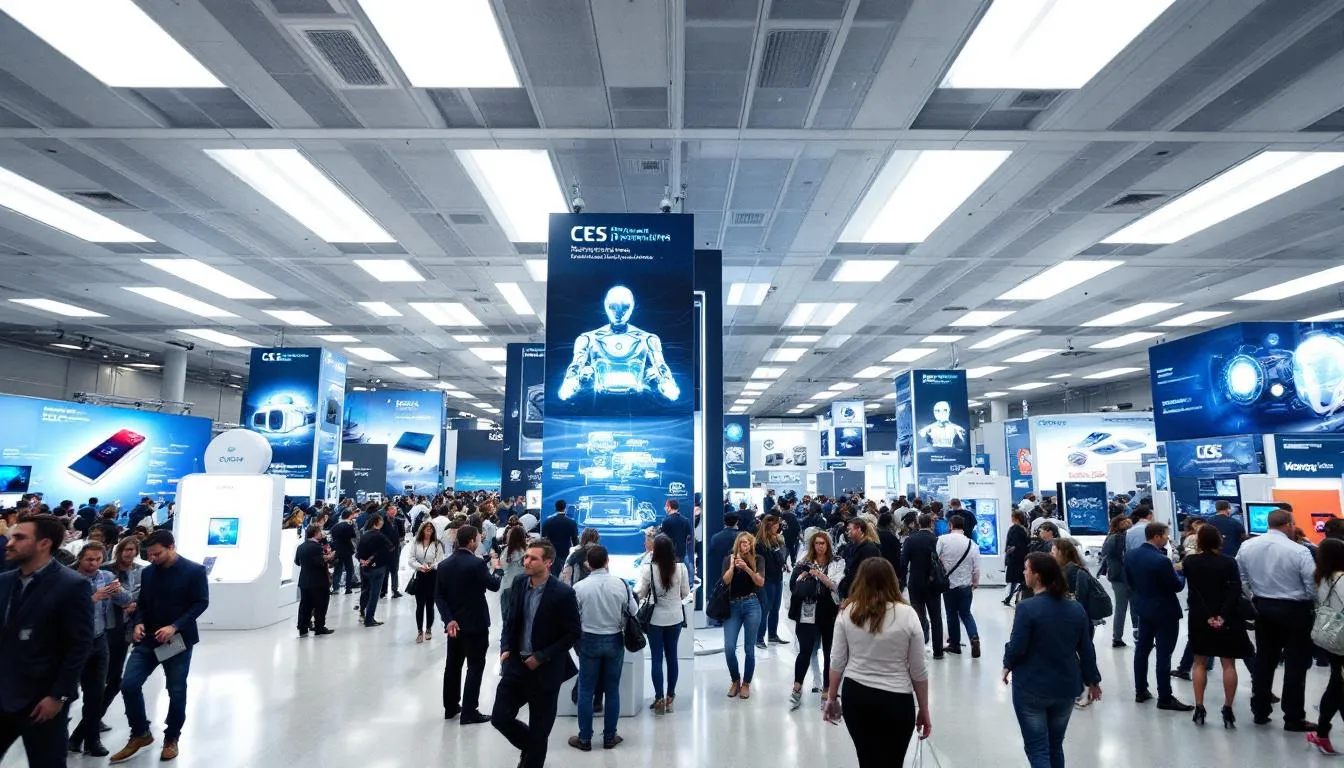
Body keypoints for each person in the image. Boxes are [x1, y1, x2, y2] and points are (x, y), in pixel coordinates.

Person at [0, 515, 94, 766]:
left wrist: (59, 696)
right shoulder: (4, 582)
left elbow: (79, 646)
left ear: (44, 543)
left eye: (19, 538)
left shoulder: (72, 586)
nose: (10, 543)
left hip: (42, 704)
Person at [109, 530, 209, 763]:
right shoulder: (149, 572)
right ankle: (140, 733)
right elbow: (142, 603)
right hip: (148, 639)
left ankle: (172, 737)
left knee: (176, 690)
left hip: (177, 641)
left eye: (157, 553)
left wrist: (175, 626)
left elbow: (201, 602)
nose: (152, 558)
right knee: (129, 685)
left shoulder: (194, 571)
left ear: (171, 547)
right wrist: (138, 622)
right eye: (150, 554)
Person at [823, 558, 930, 767]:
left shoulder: (848, 613)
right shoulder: (908, 615)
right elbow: (918, 669)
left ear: (860, 581)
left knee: (866, 758)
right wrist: (924, 708)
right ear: (893, 581)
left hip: (857, 696)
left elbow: (837, 661)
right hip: (897, 699)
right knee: (893, 761)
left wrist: (832, 697)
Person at [1003, 553, 1103, 768]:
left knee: (1037, 747)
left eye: (1026, 568)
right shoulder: (1076, 608)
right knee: (1055, 745)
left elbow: (1018, 646)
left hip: (1032, 686)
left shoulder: (1027, 608)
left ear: (1037, 576)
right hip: (1065, 687)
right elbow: (1086, 648)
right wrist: (1092, 680)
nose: (1024, 572)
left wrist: (1007, 665)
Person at [491, 539, 581, 768]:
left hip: (545, 670)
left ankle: (532, 757)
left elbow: (572, 633)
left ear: (548, 563)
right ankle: (531, 749)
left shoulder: (563, 593)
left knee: (540, 729)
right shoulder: (520, 582)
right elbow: (510, 621)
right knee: (500, 717)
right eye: (526, 557)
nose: (526, 561)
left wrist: (542, 656)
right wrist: (505, 649)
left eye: (533, 558)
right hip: (516, 665)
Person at [1236, 506, 1317, 730]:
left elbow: (1240, 577)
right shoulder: (1299, 551)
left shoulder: (1247, 546)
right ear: (1288, 524)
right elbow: (1311, 584)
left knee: (1264, 660)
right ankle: (1293, 717)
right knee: (1296, 664)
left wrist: (1253, 596)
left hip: (1263, 607)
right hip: (1296, 610)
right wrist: (1309, 600)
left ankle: (1260, 710)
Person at [1181, 524, 1252, 728]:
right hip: (1227, 619)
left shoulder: (1190, 562)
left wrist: (1208, 615)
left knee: (1199, 662)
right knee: (1228, 664)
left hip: (1199, 618)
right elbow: (1234, 591)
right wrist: (1222, 616)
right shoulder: (1229, 563)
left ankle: (1200, 706)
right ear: (1219, 541)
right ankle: (1228, 708)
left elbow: (1194, 591)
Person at [569, 545, 637, 751]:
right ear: (608, 561)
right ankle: (609, 737)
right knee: (612, 690)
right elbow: (633, 610)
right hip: (614, 639)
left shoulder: (579, 588)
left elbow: (573, 617)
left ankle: (585, 738)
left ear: (588, 564)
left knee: (586, 690)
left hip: (588, 640)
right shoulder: (621, 584)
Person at [67, 541, 129, 757]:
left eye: (97, 559)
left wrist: (118, 592)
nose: (93, 564)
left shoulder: (107, 577)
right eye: (89, 559)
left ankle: (91, 740)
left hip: (99, 640)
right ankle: (59, 739)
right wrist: (93, 598)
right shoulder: (69, 580)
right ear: (80, 559)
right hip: (72, 645)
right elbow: (63, 612)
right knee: (66, 694)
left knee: (95, 695)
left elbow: (126, 601)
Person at [436, 525, 502, 724]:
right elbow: (493, 584)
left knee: (452, 666)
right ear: (472, 541)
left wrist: (449, 620)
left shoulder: (445, 564)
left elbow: (439, 596)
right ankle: (469, 711)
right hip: (476, 624)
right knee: (475, 666)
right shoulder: (476, 564)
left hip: (454, 626)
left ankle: (450, 707)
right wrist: (498, 570)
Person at [1125, 522, 1193, 712]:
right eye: (1165, 535)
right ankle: (1165, 696)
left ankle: (1141, 690)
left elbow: (1129, 581)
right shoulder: (1161, 561)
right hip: (1165, 612)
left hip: (1143, 609)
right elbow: (1176, 586)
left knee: (1142, 650)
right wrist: (1181, 572)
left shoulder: (1131, 555)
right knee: (1164, 655)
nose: (1167, 539)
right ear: (1156, 536)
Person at [789, 530, 844, 710]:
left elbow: (836, 586)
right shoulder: (803, 562)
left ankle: (827, 689)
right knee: (805, 650)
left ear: (828, 544)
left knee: (830, 652)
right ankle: (797, 687)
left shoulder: (837, 562)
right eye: (817, 543)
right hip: (807, 610)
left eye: (823, 543)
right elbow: (793, 585)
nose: (819, 546)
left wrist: (819, 575)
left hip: (828, 610)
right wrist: (803, 575)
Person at [636, 534, 690, 715]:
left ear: (656, 550)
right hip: (675, 617)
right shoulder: (681, 568)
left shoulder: (648, 569)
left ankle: (659, 697)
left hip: (655, 619)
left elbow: (641, 593)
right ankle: (670, 697)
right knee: (672, 656)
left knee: (657, 659)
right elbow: (685, 593)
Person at [101, 536, 144, 734]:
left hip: (124, 627)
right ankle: (93, 716)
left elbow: (138, 594)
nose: (129, 553)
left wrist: (131, 602)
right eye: (126, 549)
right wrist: (126, 599)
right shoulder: (107, 569)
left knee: (115, 677)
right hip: (104, 626)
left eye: (132, 549)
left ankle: (96, 715)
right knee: (100, 675)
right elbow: (113, 594)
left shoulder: (140, 570)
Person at [1311, 538, 1344, 754]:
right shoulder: (1341, 579)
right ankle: (1322, 733)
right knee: (1337, 687)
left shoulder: (1320, 577)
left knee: (1337, 686)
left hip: (1331, 639)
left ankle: (1322, 733)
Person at [722, 532, 765, 699]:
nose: (743, 546)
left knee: (749, 648)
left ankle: (746, 683)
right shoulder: (728, 559)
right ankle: (735, 680)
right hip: (732, 605)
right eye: (740, 543)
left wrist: (746, 567)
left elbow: (760, 582)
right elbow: (725, 581)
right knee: (729, 648)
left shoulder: (758, 559)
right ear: (736, 544)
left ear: (751, 544)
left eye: (746, 543)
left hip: (752, 604)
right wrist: (733, 566)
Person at [936, 515, 981, 658]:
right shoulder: (972, 544)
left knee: (951, 614)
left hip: (949, 584)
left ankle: (955, 644)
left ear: (950, 525)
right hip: (966, 584)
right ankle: (974, 637)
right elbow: (976, 567)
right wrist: (975, 582)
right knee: (966, 613)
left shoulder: (942, 540)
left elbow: (935, 558)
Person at [901, 514, 945, 658]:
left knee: (918, 618)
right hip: (933, 584)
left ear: (918, 524)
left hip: (915, 583)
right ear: (931, 524)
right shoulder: (936, 540)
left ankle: (918, 650)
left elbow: (903, 564)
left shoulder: (910, 540)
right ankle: (938, 651)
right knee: (936, 617)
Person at [753, 514, 789, 649]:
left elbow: (781, 559)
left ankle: (772, 635)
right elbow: (762, 562)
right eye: (775, 525)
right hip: (766, 579)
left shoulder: (777, 540)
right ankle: (759, 638)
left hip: (777, 577)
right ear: (769, 526)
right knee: (765, 608)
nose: (778, 527)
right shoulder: (759, 544)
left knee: (775, 608)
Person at [408, 521, 446, 644]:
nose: (429, 531)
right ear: (422, 530)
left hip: (432, 575)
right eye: (427, 529)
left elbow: (440, 560)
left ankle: (428, 629)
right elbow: (411, 559)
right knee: (420, 605)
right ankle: (420, 631)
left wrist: (432, 566)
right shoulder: (416, 542)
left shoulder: (437, 544)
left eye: (431, 529)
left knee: (430, 605)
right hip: (420, 575)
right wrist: (420, 567)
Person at [295, 525, 335, 639]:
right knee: (320, 605)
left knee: (305, 605)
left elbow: (297, 562)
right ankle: (319, 627)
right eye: (319, 532)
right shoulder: (317, 547)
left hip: (304, 580)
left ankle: (302, 628)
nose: (321, 534)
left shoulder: (300, 547)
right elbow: (319, 562)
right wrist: (329, 556)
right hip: (318, 581)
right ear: (315, 533)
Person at [1100, 516, 1133, 647]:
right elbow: (1106, 553)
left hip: (1121, 575)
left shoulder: (1122, 537)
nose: (1128, 523)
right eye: (1124, 522)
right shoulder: (1115, 538)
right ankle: (1117, 637)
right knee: (1122, 607)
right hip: (1120, 576)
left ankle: (1119, 637)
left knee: (1124, 607)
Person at [356, 515, 393, 627]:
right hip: (377, 568)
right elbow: (390, 548)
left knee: (365, 590)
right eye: (381, 521)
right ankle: (369, 619)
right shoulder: (380, 536)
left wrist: (363, 561)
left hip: (364, 567)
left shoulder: (364, 535)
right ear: (377, 523)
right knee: (374, 594)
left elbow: (358, 552)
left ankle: (362, 613)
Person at [838, 518, 881, 598]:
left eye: (850, 529)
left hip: (862, 593)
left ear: (859, 529)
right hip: (851, 590)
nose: (848, 532)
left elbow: (871, 574)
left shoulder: (870, 549)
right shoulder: (851, 545)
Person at [541, 501, 580, 577]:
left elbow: (543, 539)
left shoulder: (547, 522)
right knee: (565, 574)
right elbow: (575, 541)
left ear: (555, 508)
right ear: (565, 508)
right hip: (565, 552)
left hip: (552, 553)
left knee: (553, 574)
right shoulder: (571, 522)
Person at [499, 524, 528, 613]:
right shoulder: (527, 550)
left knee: (507, 616)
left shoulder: (508, 551)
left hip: (508, 585)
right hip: (524, 586)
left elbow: (502, 566)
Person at [329, 508, 359, 594]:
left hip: (337, 550)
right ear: (350, 516)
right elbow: (354, 536)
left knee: (337, 569)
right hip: (347, 550)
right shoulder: (348, 526)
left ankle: (335, 588)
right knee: (350, 569)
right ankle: (348, 588)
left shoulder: (334, 527)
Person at [659, 498, 694, 569]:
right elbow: (689, 537)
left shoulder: (666, 521)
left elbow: (662, 538)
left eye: (666, 506)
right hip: (682, 553)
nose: (665, 508)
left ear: (669, 507)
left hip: (668, 553)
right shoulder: (686, 520)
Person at [1004, 511, 1029, 606]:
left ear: (1015, 518)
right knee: (1020, 580)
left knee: (1014, 580)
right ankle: (1014, 597)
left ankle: (1009, 597)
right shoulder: (1024, 529)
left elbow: (1011, 544)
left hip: (1014, 558)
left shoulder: (1014, 529)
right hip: (1022, 557)